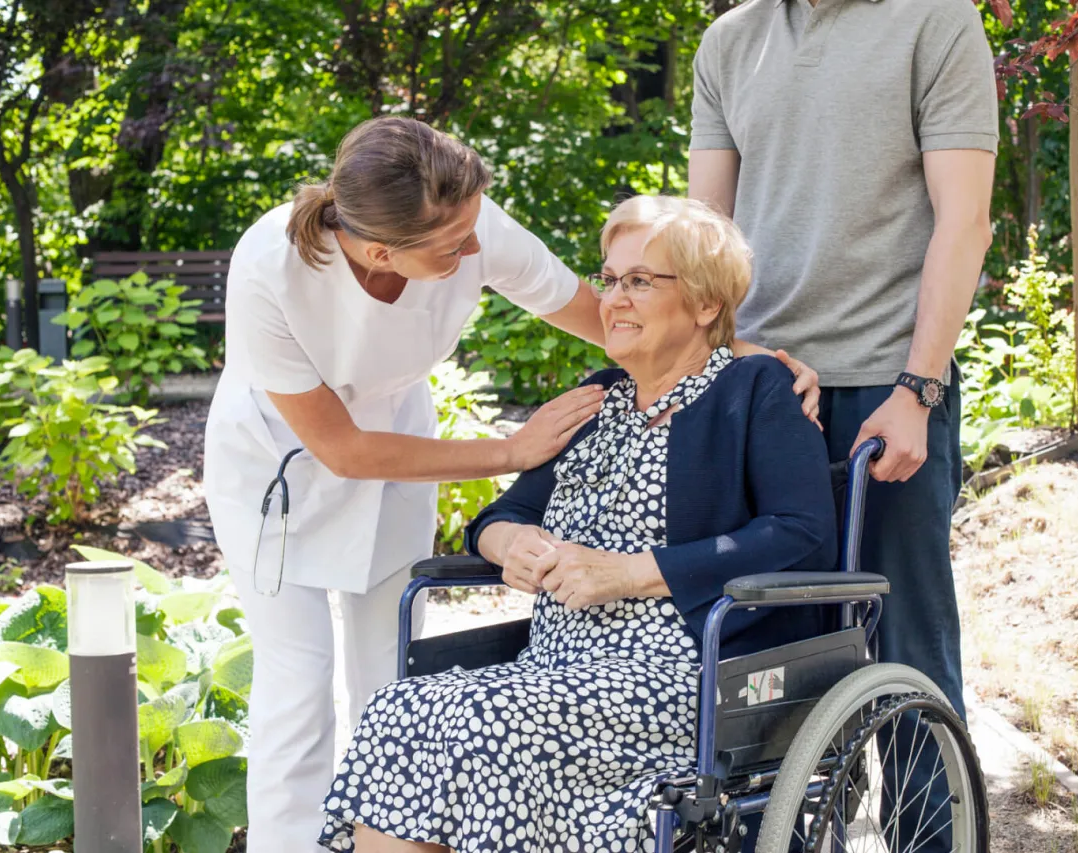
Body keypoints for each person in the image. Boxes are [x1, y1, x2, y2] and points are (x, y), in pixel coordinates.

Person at [202, 118, 820, 853]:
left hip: (673, 664)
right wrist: (512, 527)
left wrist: (743, 360)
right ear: (379, 250)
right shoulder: (272, 269)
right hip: (288, 467)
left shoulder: (749, 393)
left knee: (434, 707)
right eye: (612, 277)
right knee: (345, 699)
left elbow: (798, 526)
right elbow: (401, 470)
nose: (474, 249)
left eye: (638, 281)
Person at [686, 0, 998, 848]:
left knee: (903, 647)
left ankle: (932, 838)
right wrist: (742, 354)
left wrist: (918, 388)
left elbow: (964, 220)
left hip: (883, 390)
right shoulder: (730, 40)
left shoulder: (936, 22)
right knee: (757, 660)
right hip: (761, 388)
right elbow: (703, 238)